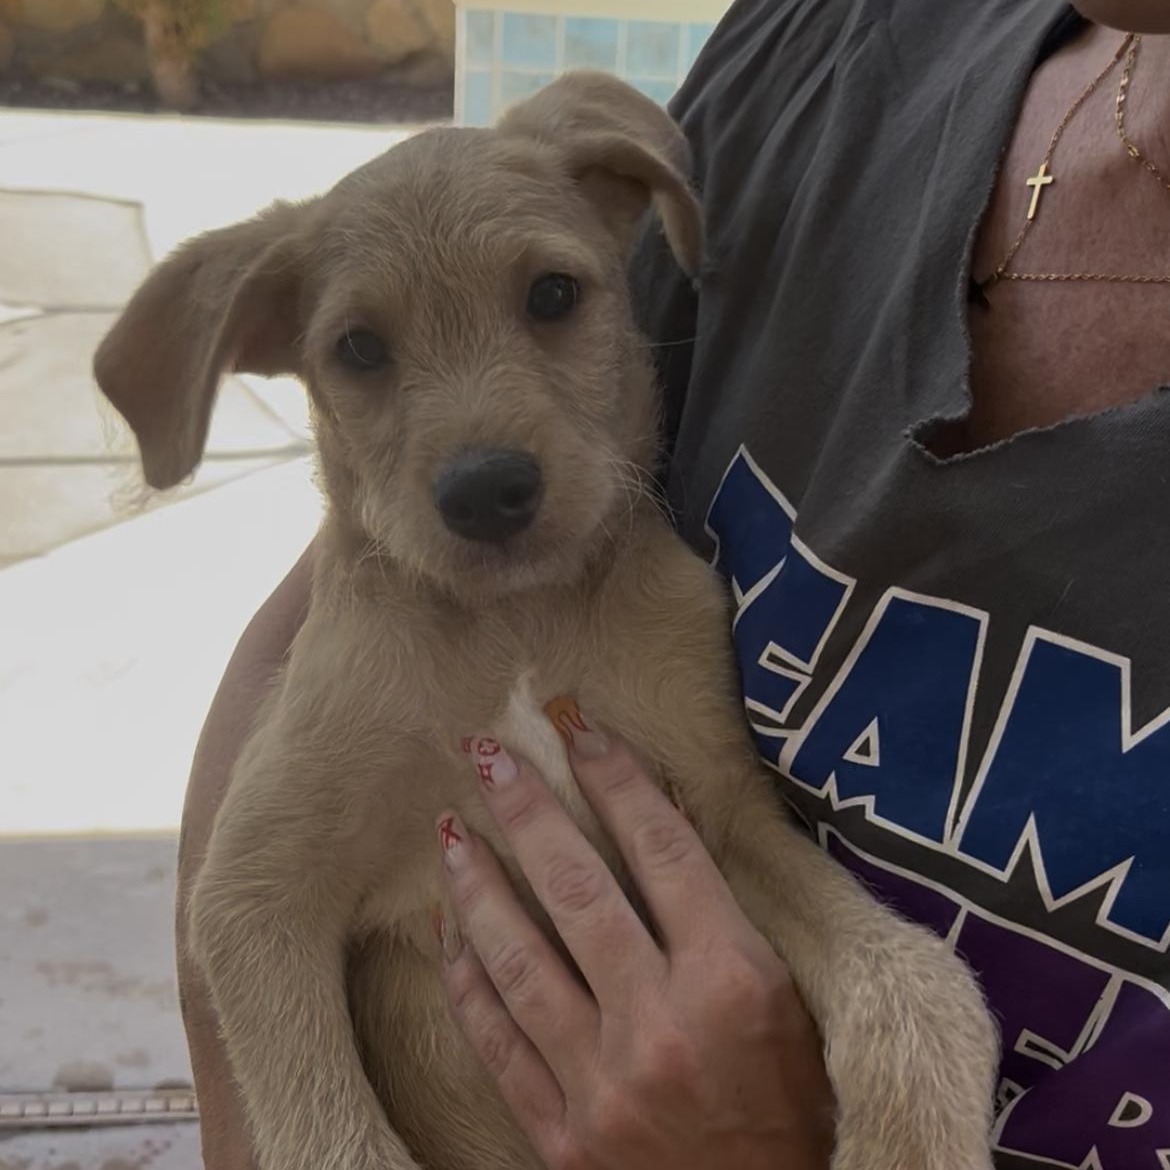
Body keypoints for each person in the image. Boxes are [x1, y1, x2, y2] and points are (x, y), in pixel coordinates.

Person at [176, 0, 1170, 1166]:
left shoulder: (656, 599)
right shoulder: (819, 50)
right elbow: (246, 899)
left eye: (551, 299)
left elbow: (744, 839)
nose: (480, 452)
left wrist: (892, 1041)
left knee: (916, 1012)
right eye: (361, 350)